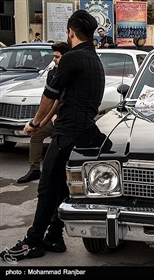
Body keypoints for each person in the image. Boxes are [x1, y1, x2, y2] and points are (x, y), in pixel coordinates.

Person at [0, 10, 105, 261]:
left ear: (70, 32)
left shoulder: (72, 58)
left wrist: (35, 123)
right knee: (63, 188)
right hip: (85, 132)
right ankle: (54, 236)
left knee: (47, 188)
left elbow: (50, 95)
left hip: (67, 133)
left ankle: (33, 242)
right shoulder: (95, 60)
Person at [16, 42, 70, 184]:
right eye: (54, 57)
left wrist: (54, 116)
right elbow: (49, 98)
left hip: (67, 117)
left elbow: (63, 99)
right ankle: (34, 170)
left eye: (57, 57)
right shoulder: (52, 72)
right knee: (36, 135)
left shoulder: (71, 74)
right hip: (53, 116)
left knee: (58, 143)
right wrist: (46, 118)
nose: (54, 60)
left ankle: (60, 174)